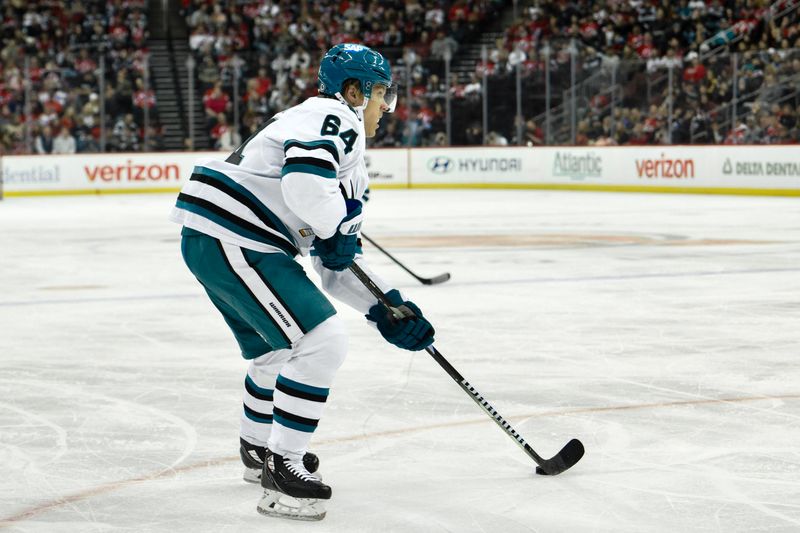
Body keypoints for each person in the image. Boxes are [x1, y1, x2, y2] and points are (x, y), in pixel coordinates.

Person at [169, 43, 435, 521]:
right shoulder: (336, 116)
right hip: (239, 237)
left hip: (216, 238)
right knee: (322, 342)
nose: (385, 107)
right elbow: (306, 184)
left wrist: (385, 309)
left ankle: (258, 449)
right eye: (381, 94)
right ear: (354, 91)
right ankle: (282, 469)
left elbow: (334, 266)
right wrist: (335, 230)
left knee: (276, 351)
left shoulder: (331, 136)